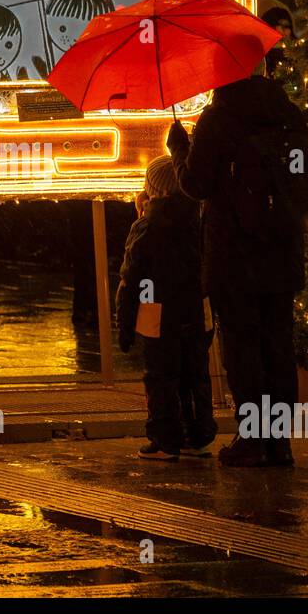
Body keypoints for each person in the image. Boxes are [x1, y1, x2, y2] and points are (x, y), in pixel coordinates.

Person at [167, 67, 308, 467]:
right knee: (278, 346)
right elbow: (304, 177)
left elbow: (196, 185)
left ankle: (252, 439)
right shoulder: (289, 113)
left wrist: (179, 149)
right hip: (281, 249)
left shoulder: (220, 117)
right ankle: (279, 442)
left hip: (234, 255)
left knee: (243, 349)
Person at [116, 155, 217, 460]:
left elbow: (131, 277)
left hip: (156, 313)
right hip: (196, 311)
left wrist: (124, 324)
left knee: (160, 376)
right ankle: (197, 437)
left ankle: (165, 439)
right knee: (195, 374)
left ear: (153, 189)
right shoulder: (200, 219)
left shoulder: (147, 225)